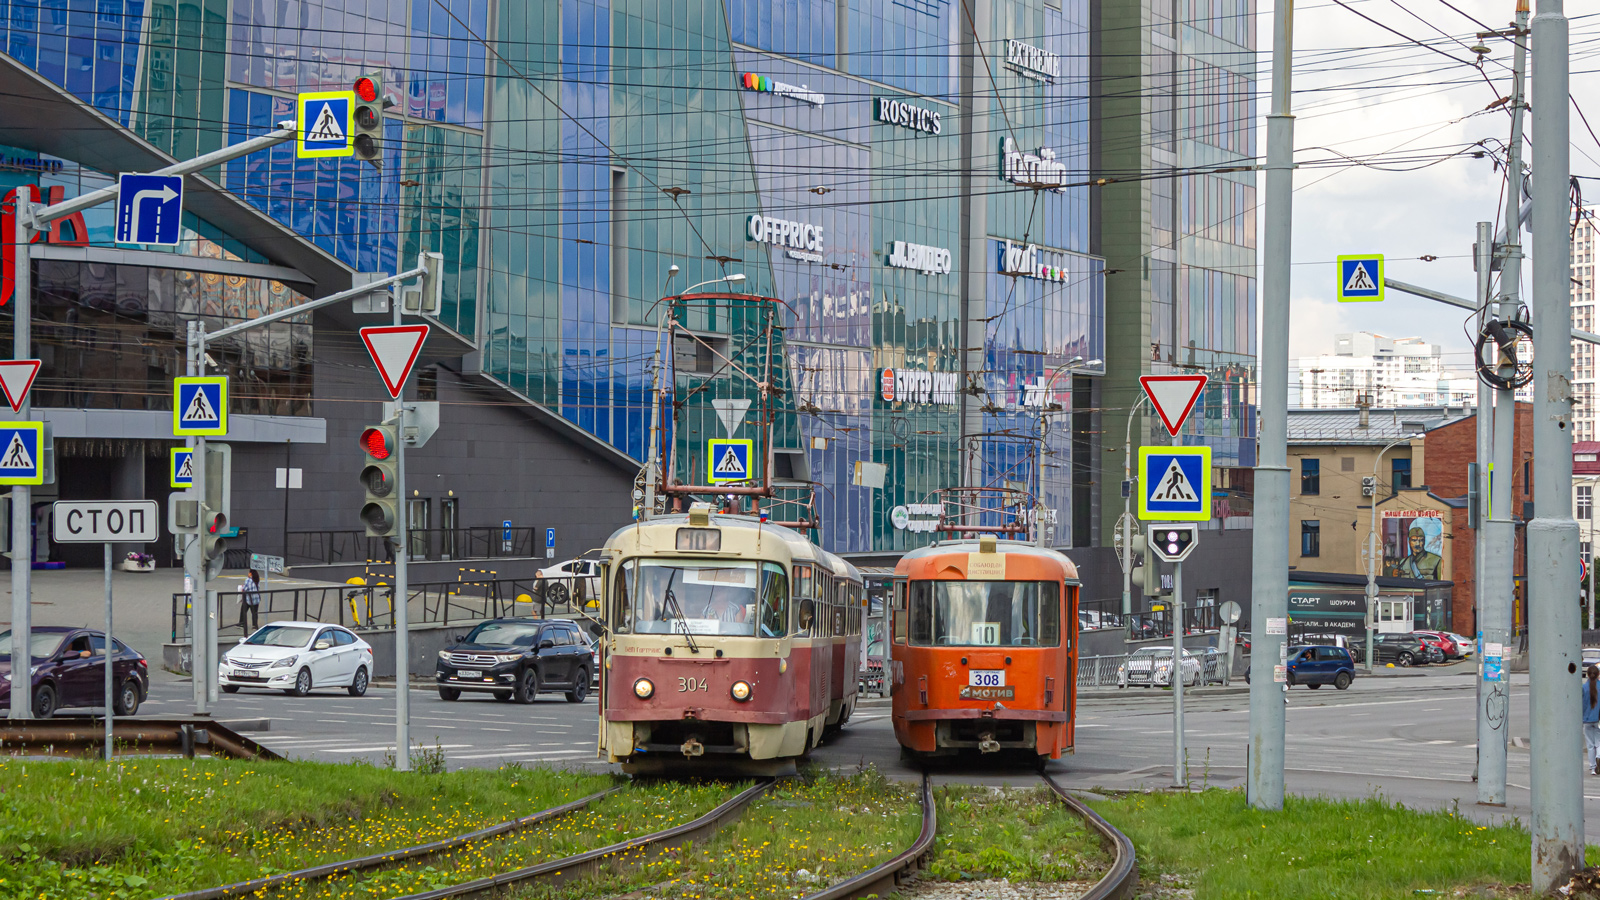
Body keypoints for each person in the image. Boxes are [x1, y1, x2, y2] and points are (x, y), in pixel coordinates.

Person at [1584, 665, 1600, 776]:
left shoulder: (1584, 687)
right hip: (1598, 719)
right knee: (1598, 743)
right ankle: (1599, 756)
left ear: (1588, 675)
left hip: (1586, 719)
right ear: (1598, 674)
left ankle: (1593, 767)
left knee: (1590, 745)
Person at [238, 569, 262, 633]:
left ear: (251, 573)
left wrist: (242, 589)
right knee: (254, 612)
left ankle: (241, 623)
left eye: (249, 573)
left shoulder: (248, 580)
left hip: (249, 598)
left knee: (243, 610)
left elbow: (245, 588)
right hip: (256, 598)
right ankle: (255, 625)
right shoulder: (257, 579)